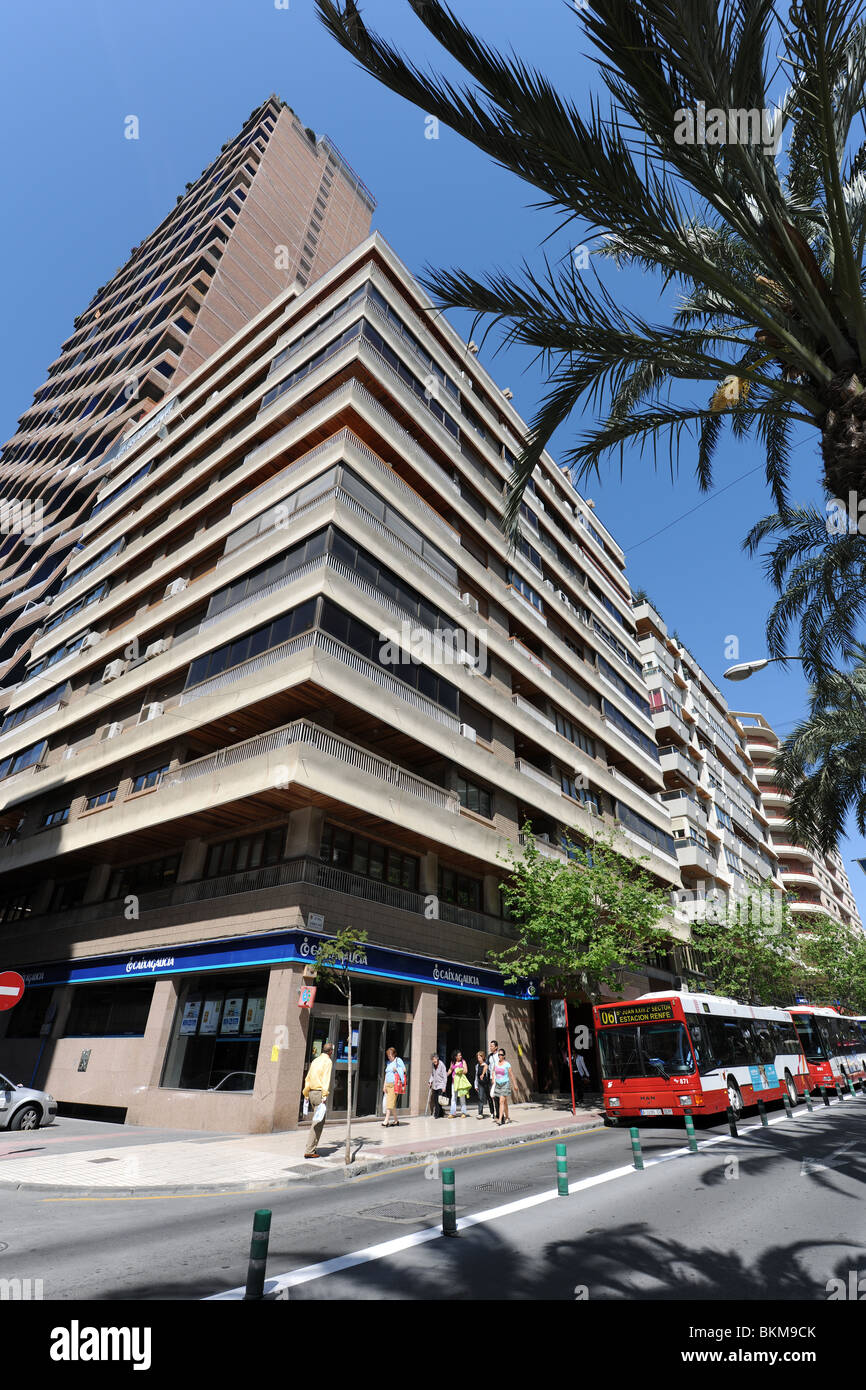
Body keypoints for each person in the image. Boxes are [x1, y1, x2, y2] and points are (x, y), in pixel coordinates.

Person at [302, 1041, 333, 1158]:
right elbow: (326, 1079)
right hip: (320, 1094)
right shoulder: (327, 1061)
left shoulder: (315, 1061)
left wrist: (306, 1094)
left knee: (316, 1120)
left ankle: (311, 1148)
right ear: (330, 1052)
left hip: (311, 1093)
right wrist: (324, 1095)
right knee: (318, 1123)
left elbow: (308, 1078)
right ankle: (309, 1150)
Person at [382, 1045, 406, 1127]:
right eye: (388, 1055)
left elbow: (404, 1069)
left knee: (389, 1103)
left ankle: (386, 1120)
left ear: (394, 1054)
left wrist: (397, 1069)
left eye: (390, 1055)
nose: (389, 1057)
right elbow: (386, 1074)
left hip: (394, 1085)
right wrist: (384, 1085)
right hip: (388, 1085)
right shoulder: (388, 1063)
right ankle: (396, 1120)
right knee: (392, 1104)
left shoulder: (398, 1060)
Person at [492, 1047, 513, 1125]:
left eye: (501, 1055)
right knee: (504, 1103)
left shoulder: (507, 1064)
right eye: (499, 1054)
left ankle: (500, 1119)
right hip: (498, 1085)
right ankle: (507, 1117)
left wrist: (515, 1085)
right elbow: (494, 1071)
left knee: (501, 1101)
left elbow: (511, 1075)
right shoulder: (496, 1063)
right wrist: (493, 1078)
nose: (499, 1056)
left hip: (505, 1084)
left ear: (504, 1056)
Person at [449, 1050, 470, 1116]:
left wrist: (459, 1071)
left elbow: (466, 1070)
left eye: (461, 1055)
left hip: (461, 1083)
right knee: (453, 1098)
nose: (461, 1056)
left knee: (462, 1097)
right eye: (459, 1055)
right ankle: (452, 1113)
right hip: (454, 1083)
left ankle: (463, 1112)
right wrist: (446, 1075)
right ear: (456, 1057)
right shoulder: (452, 1062)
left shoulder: (463, 1061)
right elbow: (450, 1069)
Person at [428, 1053, 446, 1117]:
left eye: (434, 1059)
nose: (434, 1061)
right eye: (432, 1060)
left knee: (439, 1100)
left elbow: (445, 1076)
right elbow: (432, 1074)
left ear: (437, 1059)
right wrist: (430, 1081)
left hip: (441, 1085)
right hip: (435, 1085)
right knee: (436, 1100)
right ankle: (441, 1113)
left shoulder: (442, 1065)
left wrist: (444, 1087)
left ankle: (436, 1114)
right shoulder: (433, 1065)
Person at [474, 1050, 490, 1117]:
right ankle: (480, 1113)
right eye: (477, 1057)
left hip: (486, 1083)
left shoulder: (486, 1065)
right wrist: (476, 1085)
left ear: (483, 1057)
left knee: (489, 1098)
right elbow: (476, 1076)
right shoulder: (477, 1066)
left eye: (479, 1057)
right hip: (480, 1084)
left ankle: (492, 1112)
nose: (478, 1059)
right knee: (480, 1098)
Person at [487, 1039, 500, 1119]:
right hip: (492, 1079)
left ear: (496, 1047)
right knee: (493, 1096)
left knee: (498, 1097)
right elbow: (487, 1066)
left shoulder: (499, 1055)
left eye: (492, 1046)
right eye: (490, 1046)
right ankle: (495, 1113)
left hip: (499, 1079)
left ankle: (499, 1114)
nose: (490, 1047)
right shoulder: (489, 1056)